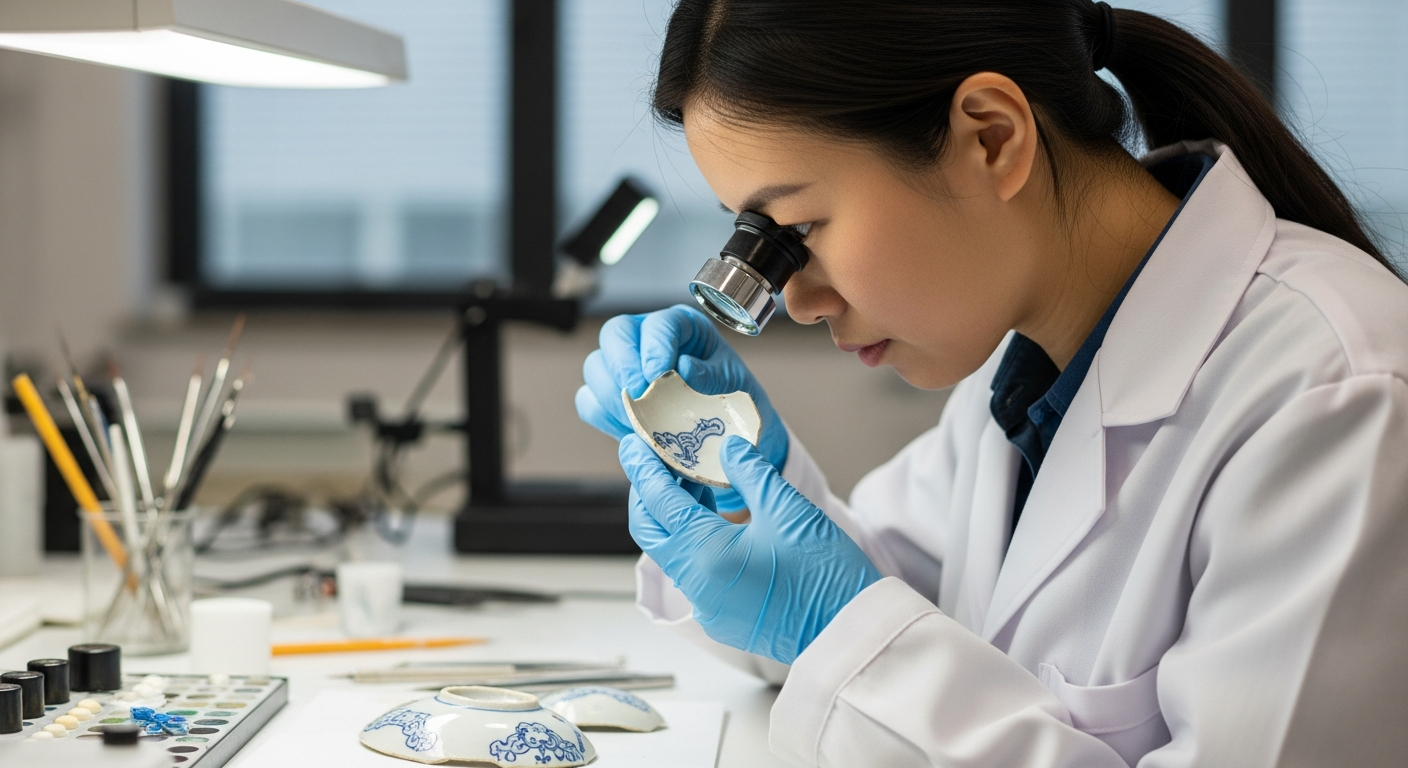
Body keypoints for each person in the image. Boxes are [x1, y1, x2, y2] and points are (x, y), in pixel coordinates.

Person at [576, 1, 1408, 765]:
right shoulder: (1027, 374)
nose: (793, 298)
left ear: (992, 137)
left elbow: (855, 632)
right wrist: (723, 482)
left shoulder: (1337, 395)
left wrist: (835, 626)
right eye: (757, 238)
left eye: (798, 229)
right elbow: (866, 601)